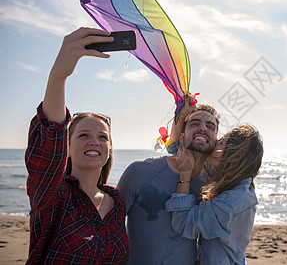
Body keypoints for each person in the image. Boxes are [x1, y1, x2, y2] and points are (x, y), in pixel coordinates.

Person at [25, 27, 129, 264]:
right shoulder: (52, 195)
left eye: (103, 137)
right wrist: (58, 75)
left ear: (110, 149)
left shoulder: (117, 203)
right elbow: (50, 137)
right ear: (67, 147)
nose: (95, 141)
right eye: (83, 135)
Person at [117, 102, 220, 264]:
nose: (203, 128)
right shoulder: (140, 171)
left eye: (210, 126)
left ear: (216, 140)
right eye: (195, 123)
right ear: (181, 136)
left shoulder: (212, 185)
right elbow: (111, 226)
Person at [165, 124, 264, 265]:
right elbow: (187, 154)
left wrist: (185, 174)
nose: (216, 141)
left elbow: (183, 223)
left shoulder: (230, 202)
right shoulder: (236, 182)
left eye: (221, 142)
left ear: (234, 157)